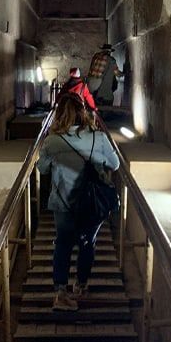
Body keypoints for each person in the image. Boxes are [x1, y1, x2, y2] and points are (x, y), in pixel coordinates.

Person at [36, 94, 120, 311]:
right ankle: (81, 285)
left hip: (63, 203)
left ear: (60, 114)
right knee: (87, 243)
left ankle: (60, 293)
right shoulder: (98, 138)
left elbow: (43, 169)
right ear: (83, 112)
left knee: (62, 244)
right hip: (92, 203)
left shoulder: (52, 141)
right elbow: (115, 164)